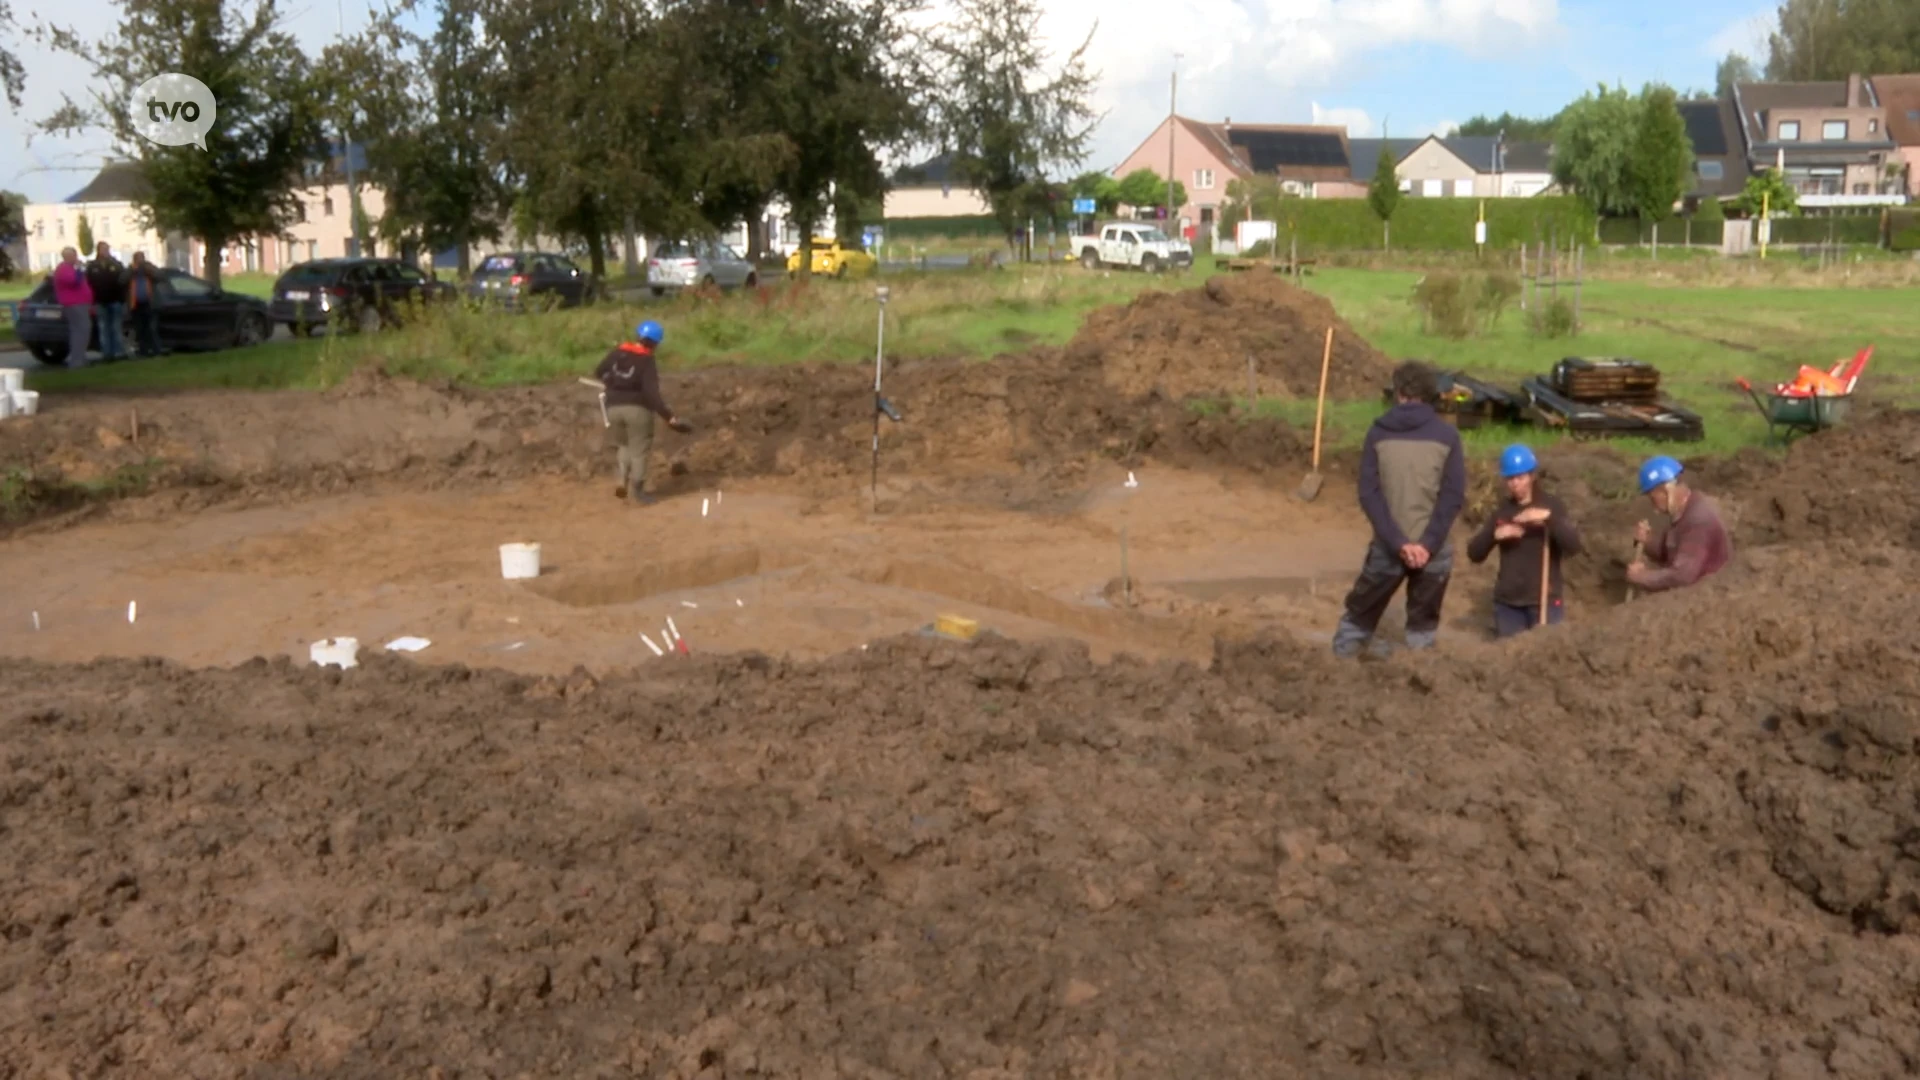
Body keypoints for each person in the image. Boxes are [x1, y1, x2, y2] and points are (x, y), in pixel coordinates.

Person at [1332, 360, 1467, 657]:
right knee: (1422, 632)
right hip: (1434, 551)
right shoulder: (1447, 437)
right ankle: (1418, 678)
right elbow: (1452, 497)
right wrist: (1427, 545)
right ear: (1430, 394)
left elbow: (1369, 494)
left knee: (1358, 620)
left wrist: (1399, 543)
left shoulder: (1378, 433)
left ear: (1399, 393)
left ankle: (1340, 670)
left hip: (1388, 546)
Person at [1466, 444, 1584, 637]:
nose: (1515, 484)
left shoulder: (1551, 506)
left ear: (1532, 476)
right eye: (1510, 479)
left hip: (1544, 601)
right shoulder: (1502, 511)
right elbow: (1474, 554)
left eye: (1520, 478)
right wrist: (1494, 536)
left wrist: (1548, 519)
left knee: (1545, 659)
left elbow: (1573, 546)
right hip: (1508, 605)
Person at [594, 320, 693, 505]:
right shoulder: (646, 361)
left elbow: (600, 371)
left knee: (623, 447)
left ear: (639, 335)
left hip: (613, 408)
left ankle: (621, 488)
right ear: (655, 343)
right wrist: (668, 416)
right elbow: (651, 394)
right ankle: (638, 492)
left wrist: (611, 383)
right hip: (637, 411)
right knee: (639, 451)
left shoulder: (618, 352)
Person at [1627, 455, 1730, 594]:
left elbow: (1682, 576)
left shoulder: (1698, 520)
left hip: (1710, 598)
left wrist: (1642, 577)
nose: (1654, 508)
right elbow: (1672, 553)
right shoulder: (1686, 511)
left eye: (1653, 498)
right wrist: (1648, 541)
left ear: (1666, 490)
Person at [85, 241, 129, 361]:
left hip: (115, 301)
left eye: (107, 249)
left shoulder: (116, 264)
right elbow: (88, 284)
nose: (105, 251)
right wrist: (92, 301)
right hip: (100, 302)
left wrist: (122, 299)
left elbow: (123, 281)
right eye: (103, 249)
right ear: (98, 250)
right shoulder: (92, 266)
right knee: (103, 328)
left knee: (116, 327)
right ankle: (107, 353)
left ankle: (119, 352)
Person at [51, 247, 94, 367]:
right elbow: (75, 281)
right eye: (74, 256)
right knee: (81, 331)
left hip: (79, 303)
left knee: (82, 331)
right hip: (74, 304)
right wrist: (79, 268)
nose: (76, 258)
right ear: (67, 257)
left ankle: (80, 358)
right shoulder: (64, 269)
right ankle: (77, 360)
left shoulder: (68, 268)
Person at [126, 252, 164, 358]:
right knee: (140, 329)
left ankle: (157, 351)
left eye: (141, 258)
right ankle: (143, 352)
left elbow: (160, 276)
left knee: (152, 328)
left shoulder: (149, 268)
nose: (139, 261)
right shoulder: (131, 270)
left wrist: (149, 270)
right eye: (137, 259)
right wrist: (131, 270)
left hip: (150, 303)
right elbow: (122, 280)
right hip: (136, 304)